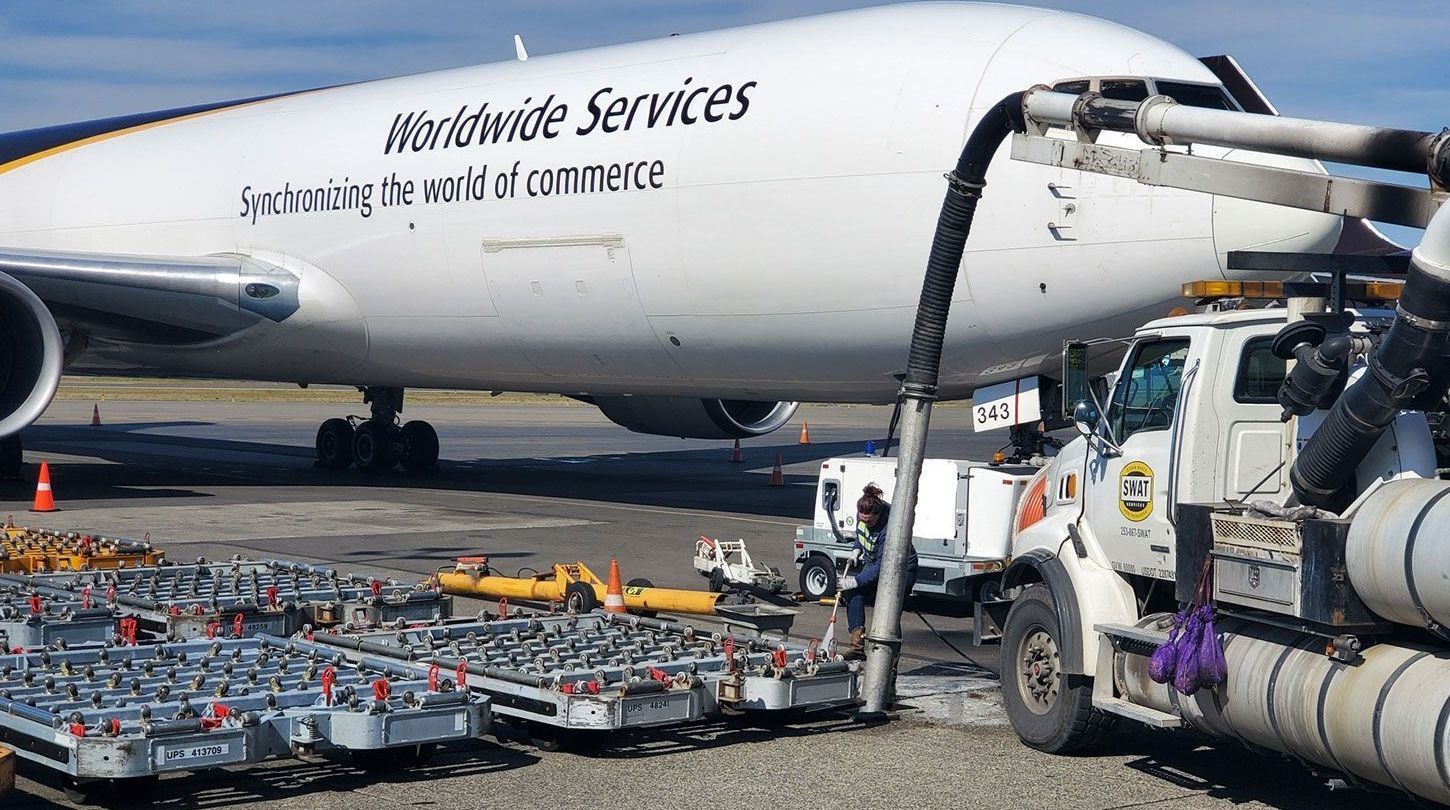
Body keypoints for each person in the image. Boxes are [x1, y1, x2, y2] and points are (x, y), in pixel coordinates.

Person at [839, 483, 917, 660]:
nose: (866, 522)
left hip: (901, 571)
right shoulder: (863, 514)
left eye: (870, 520)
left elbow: (881, 566)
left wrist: (855, 580)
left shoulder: (889, 531)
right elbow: (861, 534)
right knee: (853, 594)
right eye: (862, 518)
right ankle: (857, 645)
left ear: (879, 515)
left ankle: (891, 659)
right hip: (875, 564)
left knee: (888, 610)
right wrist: (856, 551)